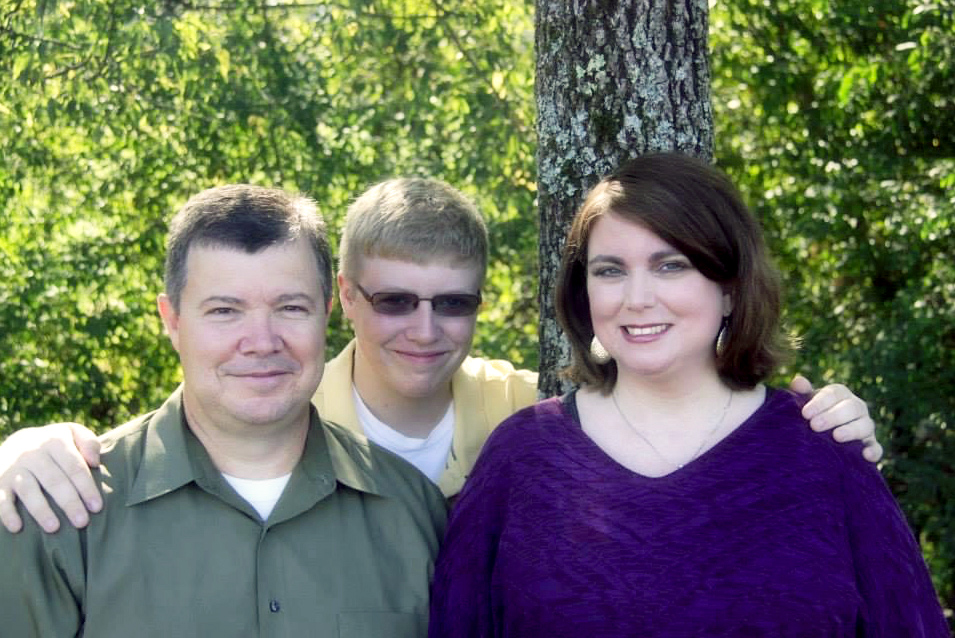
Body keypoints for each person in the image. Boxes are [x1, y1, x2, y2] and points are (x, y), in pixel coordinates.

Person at [0, 178, 880, 534]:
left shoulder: (530, 422)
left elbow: (668, 413)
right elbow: (188, 417)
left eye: (451, 302)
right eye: (393, 300)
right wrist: (29, 446)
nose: (424, 327)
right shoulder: (281, 418)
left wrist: (819, 424)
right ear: (344, 298)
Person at [428, 153, 948, 636]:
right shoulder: (523, 456)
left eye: (670, 265)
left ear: (730, 287)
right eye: (610, 271)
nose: (637, 299)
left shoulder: (820, 448)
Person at [0, 185, 446, 637]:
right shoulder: (60, 511)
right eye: (224, 311)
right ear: (172, 321)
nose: (261, 342)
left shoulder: (414, 512)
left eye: (290, 307)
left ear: (327, 314)